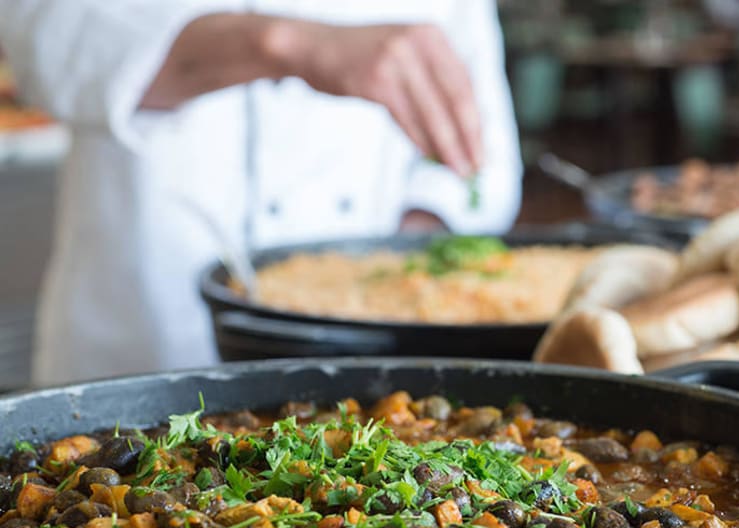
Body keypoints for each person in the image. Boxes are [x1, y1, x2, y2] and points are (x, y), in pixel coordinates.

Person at [0, 1, 523, 386]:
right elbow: (45, 42)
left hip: (367, 362)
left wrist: (389, 279)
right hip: (142, 330)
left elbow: (477, 159)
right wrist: (285, 43)